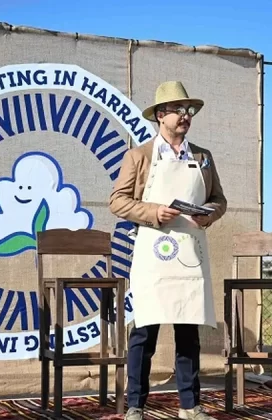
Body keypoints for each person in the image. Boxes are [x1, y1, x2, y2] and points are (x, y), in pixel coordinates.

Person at [108, 80, 227, 420]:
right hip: (153, 253)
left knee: (188, 332)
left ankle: (190, 406)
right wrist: (154, 212)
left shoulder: (203, 157)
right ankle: (135, 405)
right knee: (144, 332)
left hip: (190, 252)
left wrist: (209, 216)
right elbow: (117, 201)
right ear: (161, 115)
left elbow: (219, 199)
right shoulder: (140, 156)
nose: (185, 116)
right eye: (178, 110)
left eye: (188, 110)